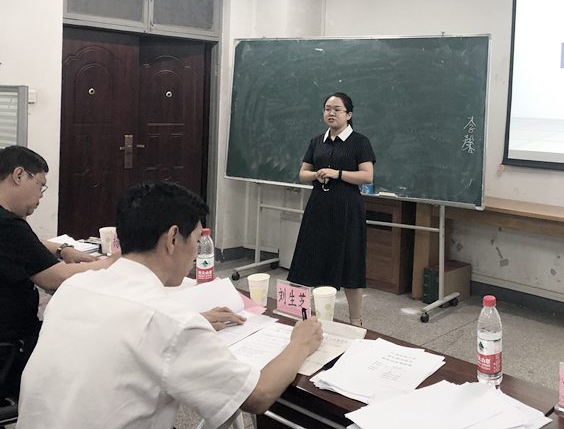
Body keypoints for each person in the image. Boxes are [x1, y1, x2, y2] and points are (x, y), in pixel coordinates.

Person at [17, 180, 323, 429]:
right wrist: (300, 343)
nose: (196, 254)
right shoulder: (171, 322)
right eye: (197, 240)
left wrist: (191, 321)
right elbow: (257, 396)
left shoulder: (75, 287)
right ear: (173, 238)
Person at [0, 145, 118, 400]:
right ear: (19, 175)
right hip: (12, 347)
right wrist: (116, 261)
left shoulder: (8, 224)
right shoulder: (8, 225)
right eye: (40, 185)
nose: (41, 196)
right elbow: (56, 279)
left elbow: (28, 243)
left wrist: (62, 248)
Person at [287, 92, 375, 327]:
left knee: (351, 261)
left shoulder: (359, 141)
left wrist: (337, 174)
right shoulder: (317, 141)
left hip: (347, 207)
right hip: (319, 206)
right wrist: (316, 175)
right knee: (315, 258)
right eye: (327, 109)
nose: (331, 113)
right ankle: (314, 317)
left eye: (337, 109)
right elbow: (303, 174)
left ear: (349, 114)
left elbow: (367, 176)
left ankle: (355, 320)